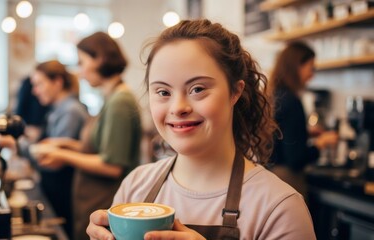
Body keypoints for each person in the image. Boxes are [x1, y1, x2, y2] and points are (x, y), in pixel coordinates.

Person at [86, 19, 316, 239]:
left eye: (197, 89)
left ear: (235, 91)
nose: (178, 108)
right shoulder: (136, 186)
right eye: (163, 92)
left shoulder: (279, 208)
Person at [35, 32, 142, 240]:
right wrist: (64, 144)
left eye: (82, 62)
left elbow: (111, 165)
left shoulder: (120, 101)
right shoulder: (112, 97)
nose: (80, 72)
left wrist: (63, 156)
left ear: (99, 59)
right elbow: (100, 148)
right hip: (96, 202)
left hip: (107, 202)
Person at [25, 60, 89, 238]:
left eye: (39, 84)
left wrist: (17, 145)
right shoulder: (58, 109)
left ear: (57, 82)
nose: (34, 91)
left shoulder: (71, 111)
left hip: (65, 191)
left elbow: (51, 160)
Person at [267, 41, 338, 197]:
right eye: (311, 67)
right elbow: (296, 159)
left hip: (270, 175)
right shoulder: (292, 101)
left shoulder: (275, 95)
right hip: (287, 179)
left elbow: (280, 136)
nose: (312, 74)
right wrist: (321, 143)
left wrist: (305, 133)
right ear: (297, 66)